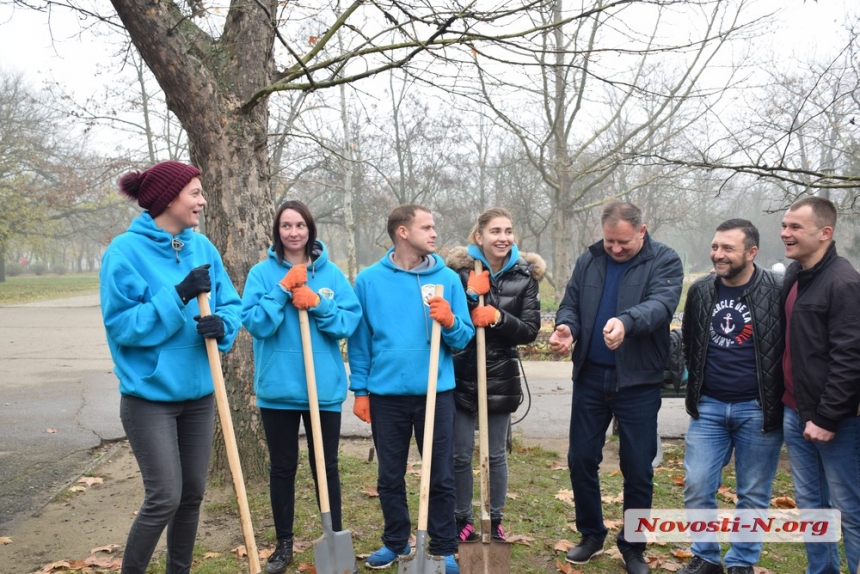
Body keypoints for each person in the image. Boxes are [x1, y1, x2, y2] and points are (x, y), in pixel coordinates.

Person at [99, 161, 242, 574]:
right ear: (168, 199)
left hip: (198, 393)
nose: (202, 200)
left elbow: (229, 304)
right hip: (150, 398)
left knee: (193, 493)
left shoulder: (202, 247)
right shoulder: (124, 252)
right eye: (194, 192)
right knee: (165, 495)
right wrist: (178, 294)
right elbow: (123, 326)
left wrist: (223, 324)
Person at [549, 201, 683, 574]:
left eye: (623, 242)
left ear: (643, 230)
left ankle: (634, 547)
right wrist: (567, 328)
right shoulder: (589, 259)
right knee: (580, 460)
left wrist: (626, 322)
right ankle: (591, 535)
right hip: (591, 375)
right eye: (610, 241)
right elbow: (571, 303)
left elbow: (661, 305)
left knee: (638, 467)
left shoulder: (665, 261)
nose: (616, 249)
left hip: (638, 380)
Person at [348, 204, 474, 574]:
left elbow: (463, 338)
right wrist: (361, 390)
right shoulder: (369, 281)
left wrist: (450, 321)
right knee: (389, 474)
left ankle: (443, 547)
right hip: (387, 394)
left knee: (440, 474)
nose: (435, 233)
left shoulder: (448, 279)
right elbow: (360, 342)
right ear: (402, 232)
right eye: (427, 227)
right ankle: (396, 541)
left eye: (434, 227)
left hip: (436, 391)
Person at [241, 200, 362, 574]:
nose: (293, 232)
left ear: (311, 229)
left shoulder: (332, 275)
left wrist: (318, 305)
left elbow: (348, 323)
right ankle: (283, 544)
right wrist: (281, 290)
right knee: (282, 467)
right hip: (279, 388)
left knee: (325, 466)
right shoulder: (261, 274)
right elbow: (255, 325)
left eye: (300, 225)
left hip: (322, 388)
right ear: (277, 232)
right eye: (286, 226)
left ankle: (334, 535)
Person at [679, 219, 784, 574]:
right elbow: (692, 341)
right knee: (696, 485)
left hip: (758, 407)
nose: (718, 255)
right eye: (715, 247)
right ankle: (706, 556)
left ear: (751, 253)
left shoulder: (778, 289)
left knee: (753, 493)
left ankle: (742, 562)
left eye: (728, 249)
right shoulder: (701, 290)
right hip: (708, 406)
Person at [445, 207, 544, 543]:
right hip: (460, 373)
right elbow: (450, 322)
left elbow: (530, 330)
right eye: (495, 231)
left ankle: (494, 517)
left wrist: (497, 317)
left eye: (508, 231)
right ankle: (462, 518)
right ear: (479, 237)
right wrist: (471, 296)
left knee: (495, 453)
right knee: (460, 453)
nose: (503, 238)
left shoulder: (524, 277)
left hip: (500, 375)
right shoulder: (457, 273)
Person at [780, 196, 860, 574]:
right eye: (785, 225)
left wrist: (827, 418)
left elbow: (851, 358)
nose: (786, 233)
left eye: (796, 227)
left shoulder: (843, 283)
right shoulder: (796, 275)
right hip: (796, 412)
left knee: (851, 507)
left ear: (825, 233)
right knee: (812, 505)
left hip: (836, 422)